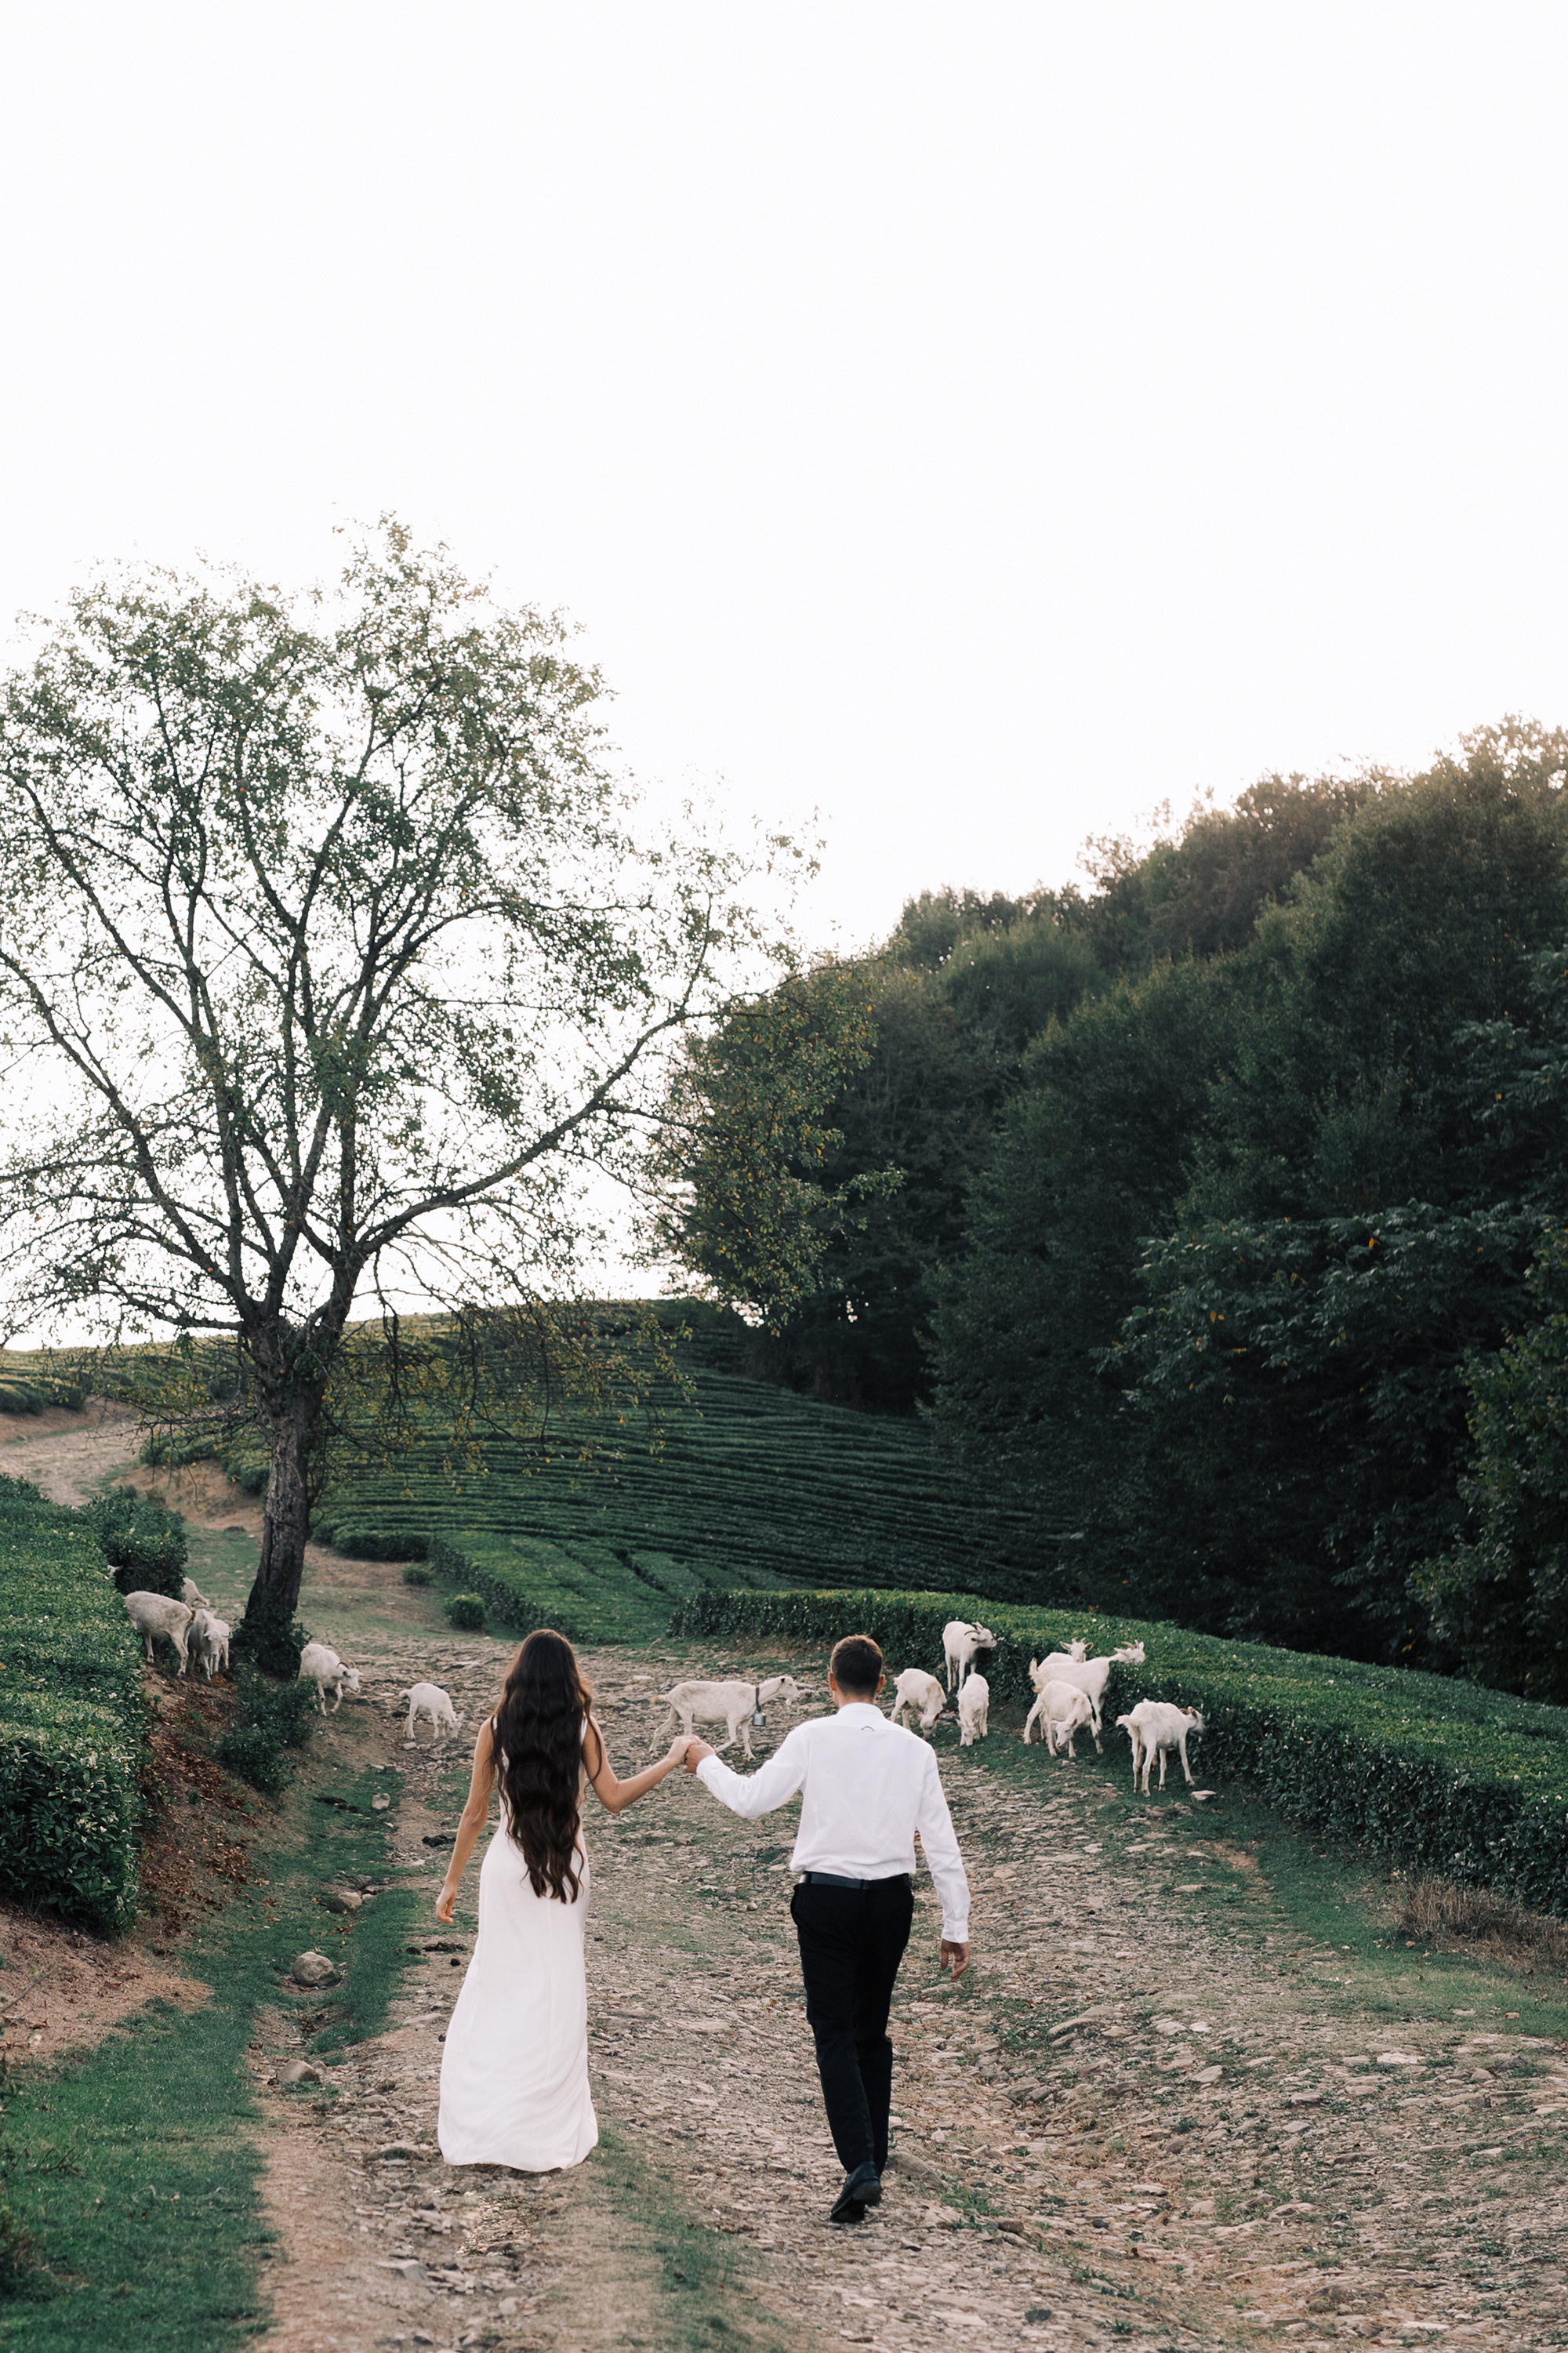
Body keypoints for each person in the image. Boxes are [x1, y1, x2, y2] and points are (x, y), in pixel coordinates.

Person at [683, 1632, 971, 2224]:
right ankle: (873, 2155)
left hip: (828, 1901)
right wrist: (956, 1923)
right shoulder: (915, 1750)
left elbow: (750, 1800)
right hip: (892, 1903)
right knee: (872, 2030)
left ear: (832, 1682)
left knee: (834, 2032)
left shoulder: (810, 1736)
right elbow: (941, 1842)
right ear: (884, 1684)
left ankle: (860, 2164)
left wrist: (703, 1758)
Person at [435, 1627, 689, 2171]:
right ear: (569, 1675)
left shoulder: (495, 1728)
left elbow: (475, 1814)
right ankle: (542, 2115)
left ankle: (486, 2107)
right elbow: (615, 1798)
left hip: (507, 1868)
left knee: (500, 1982)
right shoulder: (582, 1727)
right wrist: (670, 1761)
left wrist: (452, 1879)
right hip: (564, 1868)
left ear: (519, 1673)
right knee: (554, 1985)